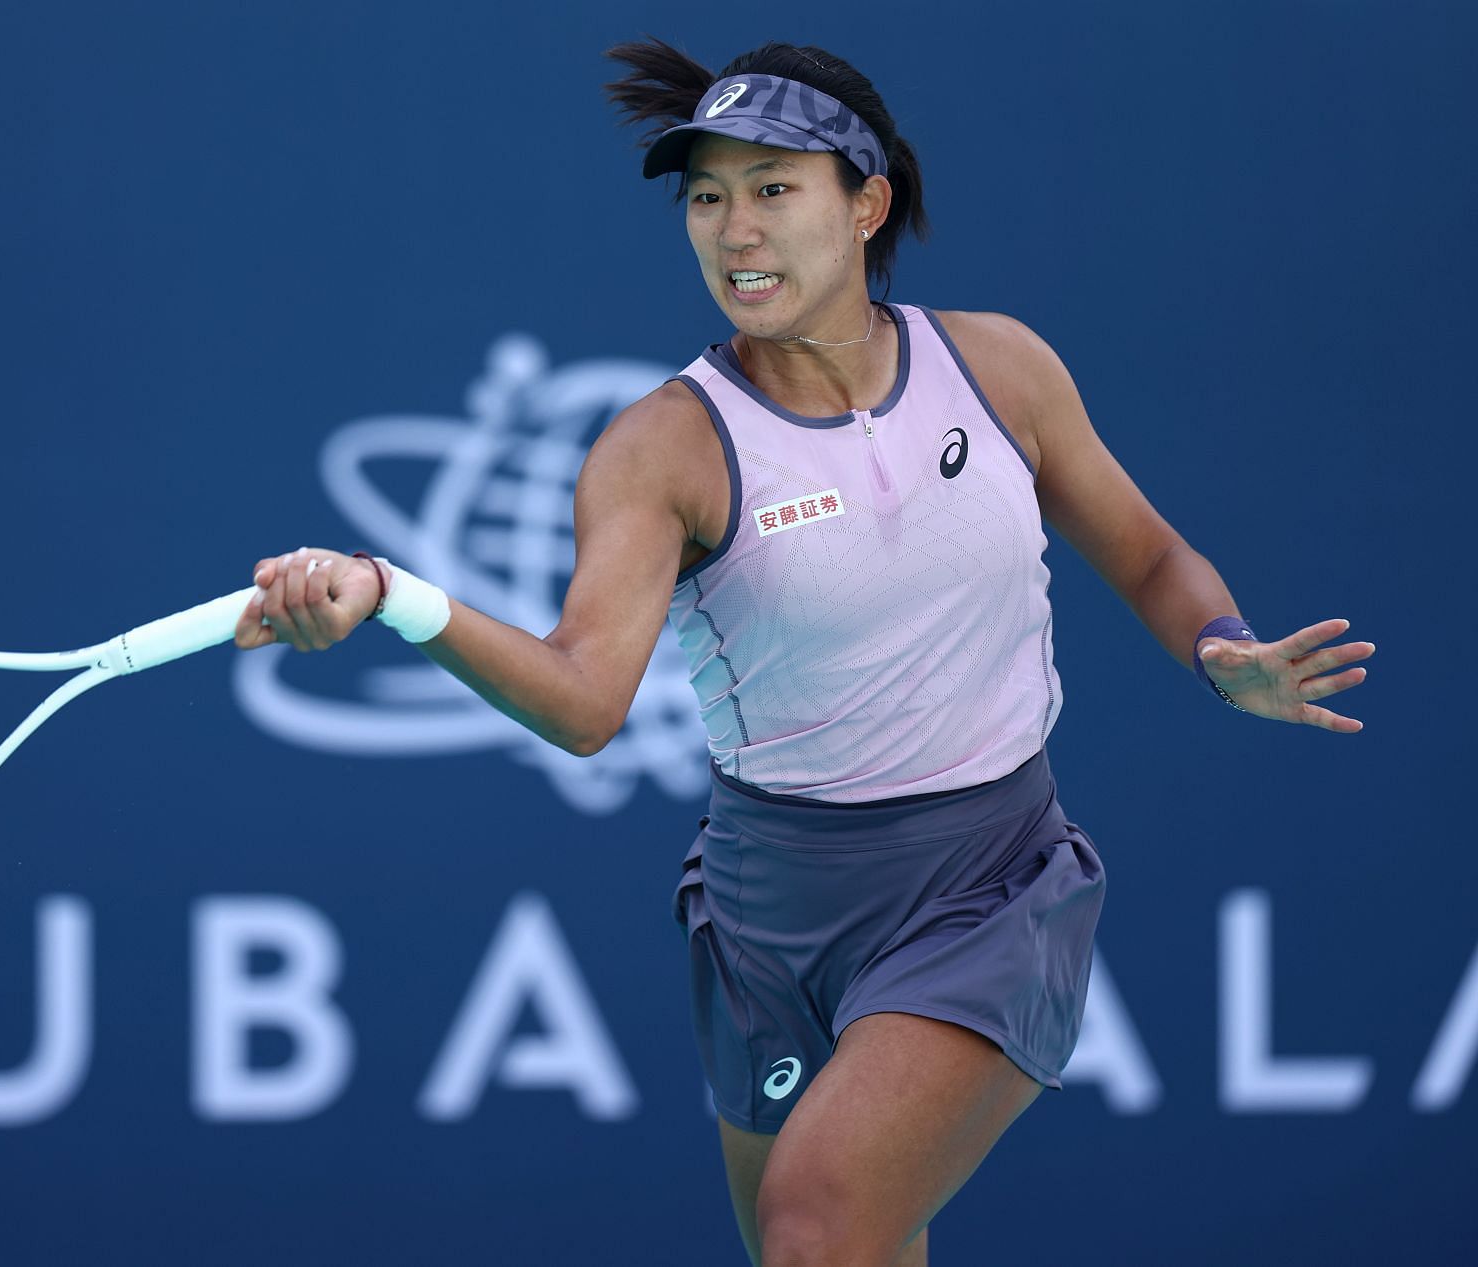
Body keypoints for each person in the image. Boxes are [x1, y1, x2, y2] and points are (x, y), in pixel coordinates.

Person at [232, 37, 1374, 1267]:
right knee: (858, 1247)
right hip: (769, 910)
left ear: (866, 203)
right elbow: (581, 702)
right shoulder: (662, 447)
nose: (736, 231)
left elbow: (1149, 556)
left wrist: (1223, 648)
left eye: (774, 190)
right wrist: (396, 596)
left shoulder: (1000, 370)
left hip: (984, 883)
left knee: (815, 1228)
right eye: (709, 197)